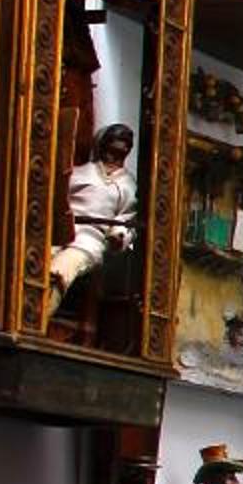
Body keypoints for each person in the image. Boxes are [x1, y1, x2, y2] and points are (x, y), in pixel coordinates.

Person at [48, 123, 140, 332]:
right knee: (35, 262)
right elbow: (58, 196)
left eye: (119, 153)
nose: (113, 157)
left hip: (91, 239)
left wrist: (118, 237)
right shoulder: (81, 172)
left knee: (60, 269)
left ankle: (36, 317)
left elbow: (126, 221)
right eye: (110, 150)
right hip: (61, 229)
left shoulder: (128, 185)